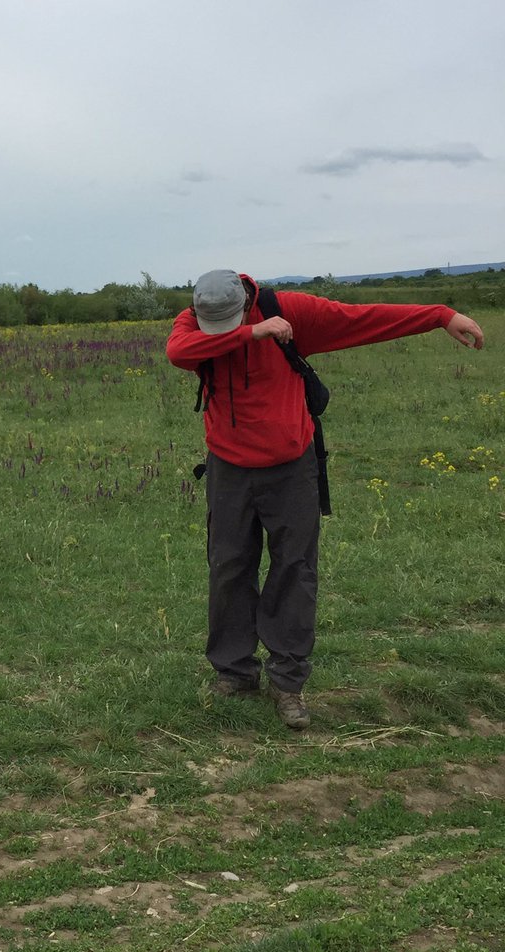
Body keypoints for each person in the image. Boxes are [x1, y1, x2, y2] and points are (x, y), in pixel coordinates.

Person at [166, 270, 484, 729]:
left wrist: (439, 315)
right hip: (228, 469)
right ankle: (234, 673)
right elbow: (179, 352)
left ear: (245, 300)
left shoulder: (289, 311)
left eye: (230, 322)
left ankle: (287, 681)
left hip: (291, 466)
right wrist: (252, 333)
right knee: (228, 565)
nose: (214, 328)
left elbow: (363, 318)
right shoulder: (194, 321)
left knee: (295, 568)